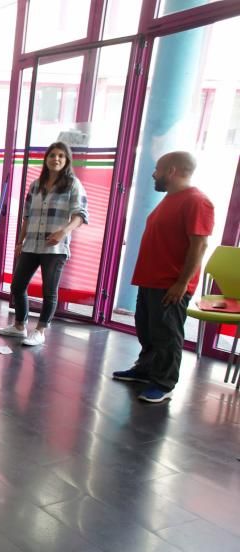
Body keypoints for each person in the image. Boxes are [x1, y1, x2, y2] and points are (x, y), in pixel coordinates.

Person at [113, 151, 214, 403]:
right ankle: (146, 369)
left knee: (167, 334)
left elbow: (199, 245)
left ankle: (164, 383)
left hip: (170, 283)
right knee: (147, 329)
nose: (153, 174)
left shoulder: (197, 201)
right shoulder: (171, 199)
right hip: (150, 280)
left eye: (157, 169)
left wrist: (181, 283)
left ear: (171, 170)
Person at [0, 141, 88, 347]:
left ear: (66, 161)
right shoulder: (35, 185)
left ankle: (40, 330)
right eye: (52, 155)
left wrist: (63, 231)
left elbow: (80, 215)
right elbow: (27, 216)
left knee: (49, 291)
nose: (56, 159)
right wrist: (20, 241)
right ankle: (19, 326)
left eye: (60, 156)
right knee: (18, 285)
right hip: (31, 245)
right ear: (46, 159)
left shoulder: (73, 184)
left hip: (55, 248)